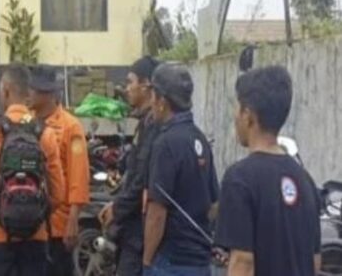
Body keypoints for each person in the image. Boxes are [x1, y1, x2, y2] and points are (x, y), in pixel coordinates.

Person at [215, 66, 322, 276]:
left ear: (248, 116)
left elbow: (243, 263)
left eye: (237, 107)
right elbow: (314, 261)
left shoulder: (239, 179)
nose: (235, 116)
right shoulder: (305, 180)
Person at [0, 64, 66, 276]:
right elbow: (59, 194)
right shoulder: (45, 133)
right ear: (28, 91)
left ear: (5, 91)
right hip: (36, 239)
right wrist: (34, 214)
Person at [143, 63, 218, 276]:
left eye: (153, 96)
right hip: (200, 262)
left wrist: (147, 262)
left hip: (171, 261)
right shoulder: (200, 138)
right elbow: (214, 205)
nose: (151, 103)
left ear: (162, 102)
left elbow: (157, 213)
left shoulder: (165, 144)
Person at [100, 56, 162, 276]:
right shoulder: (144, 124)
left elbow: (141, 180)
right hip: (132, 230)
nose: (126, 88)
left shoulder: (154, 126)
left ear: (146, 85)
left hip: (140, 232)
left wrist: (117, 209)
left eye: (130, 82)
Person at [29, 65, 90, 275]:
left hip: (58, 226)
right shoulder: (26, 122)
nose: (28, 94)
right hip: (30, 223)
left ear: (47, 94)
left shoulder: (71, 128)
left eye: (33, 90)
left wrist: (73, 220)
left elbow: (78, 176)